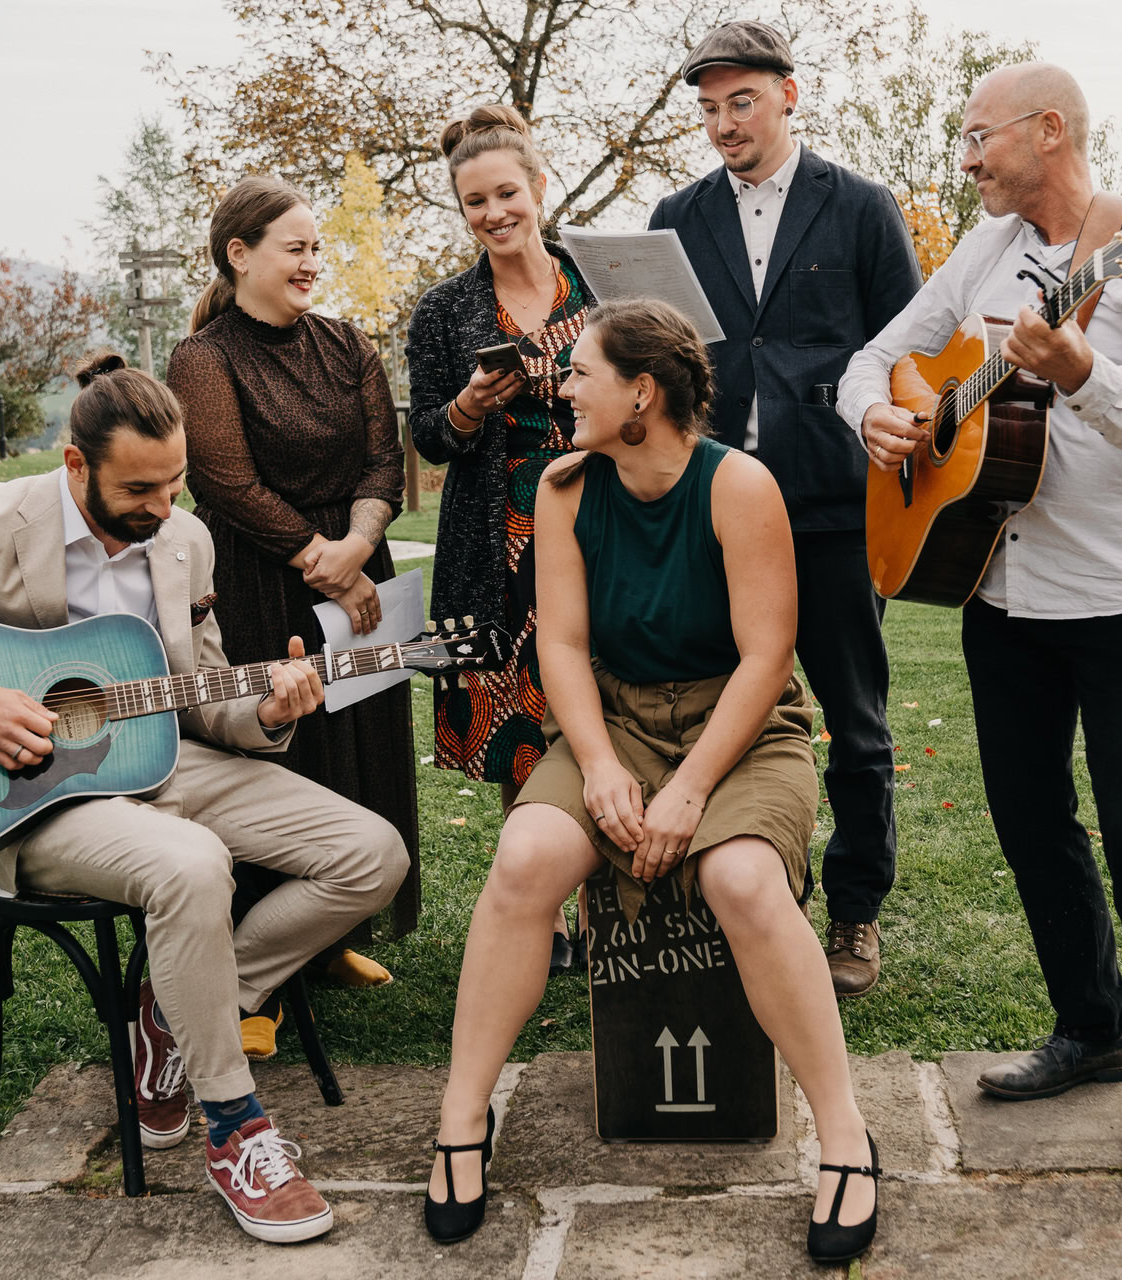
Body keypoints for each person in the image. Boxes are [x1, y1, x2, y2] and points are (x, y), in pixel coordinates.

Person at [0, 353, 409, 1239]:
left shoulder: (187, 542)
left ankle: (175, 1008)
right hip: (30, 796)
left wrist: (264, 708)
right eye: (141, 489)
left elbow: (204, 689)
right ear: (76, 465)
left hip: (163, 762)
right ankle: (235, 1129)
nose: (163, 510)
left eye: (175, 485)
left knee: (371, 854)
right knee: (193, 865)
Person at [422, 300, 880, 1264]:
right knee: (524, 858)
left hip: (739, 725)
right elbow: (564, 644)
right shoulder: (563, 487)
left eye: (580, 372)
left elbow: (768, 658)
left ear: (643, 392)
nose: (562, 386)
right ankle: (463, 1119)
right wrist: (595, 766)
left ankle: (844, 1133)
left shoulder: (739, 486)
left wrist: (689, 790)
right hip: (615, 718)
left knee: (743, 880)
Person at [838, 62, 1122, 1183]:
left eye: (978, 138)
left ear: (1049, 131)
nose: (965, 160)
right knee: (1028, 816)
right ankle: (1094, 1023)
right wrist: (881, 416)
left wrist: (1085, 370)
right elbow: (874, 358)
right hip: (997, 587)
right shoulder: (985, 252)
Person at [648, 20, 923, 997]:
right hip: (717, 512)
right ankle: (738, 894)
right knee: (715, 712)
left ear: (789, 94)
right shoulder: (673, 216)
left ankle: (854, 915)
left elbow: (908, 347)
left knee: (856, 719)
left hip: (840, 507)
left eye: (742, 101)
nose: (725, 122)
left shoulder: (860, 208)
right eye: (711, 107)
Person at [167, 176, 415, 1005]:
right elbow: (226, 480)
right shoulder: (204, 358)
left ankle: (332, 934)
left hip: (359, 574)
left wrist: (358, 548)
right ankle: (258, 975)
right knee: (286, 758)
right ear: (240, 256)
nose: (314, 263)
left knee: (361, 753)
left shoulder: (347, 344)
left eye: (317, 248)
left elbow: (387, 460)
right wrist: (321, 559)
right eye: (296, 248)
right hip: (258, 580)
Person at [407, 105, 595, 976]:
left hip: (602, 524)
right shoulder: (444, 311)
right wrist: (468, 408)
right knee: (524, 720)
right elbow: (430, 438)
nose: (493, 213)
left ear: (539, 187)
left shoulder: (597, 283)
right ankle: (546, 909)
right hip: (501, 536)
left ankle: (611, 895)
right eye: (474, 202)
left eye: (507, 193)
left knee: (609, 700)